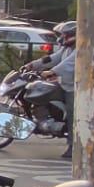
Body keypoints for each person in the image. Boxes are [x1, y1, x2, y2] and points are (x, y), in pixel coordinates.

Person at [32, 21, 78, 158]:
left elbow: (68, 64)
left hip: (73, 87)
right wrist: (33, 65)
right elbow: (53, 58)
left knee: (72, 114)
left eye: (64, 34)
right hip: (63, 83)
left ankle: (73, 146)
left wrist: (52, 72)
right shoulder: (66, 48)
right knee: (42, 93)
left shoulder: (80, 49)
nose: (62, 37)